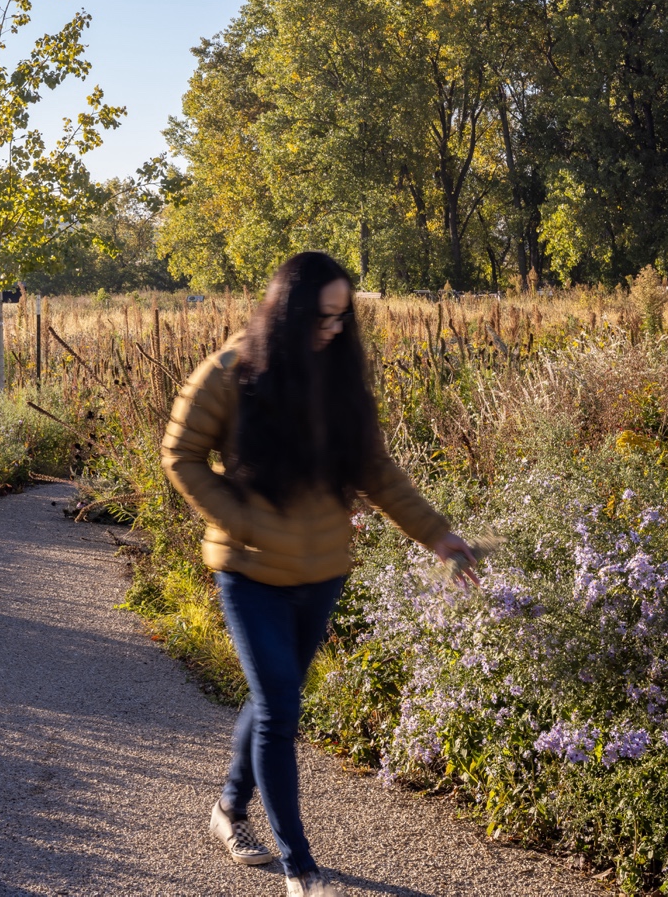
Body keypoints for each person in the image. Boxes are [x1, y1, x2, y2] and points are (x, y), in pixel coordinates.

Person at [160, 251, 477, 897]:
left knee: (271, 699)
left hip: (322, 569)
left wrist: (438, 535)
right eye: (323, 317)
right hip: (249, 571)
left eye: (343, 318)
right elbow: (181, 453)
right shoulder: (230, 372)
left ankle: (228, 809)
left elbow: (378, 472)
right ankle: (300, 866)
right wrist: (239, 519)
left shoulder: (340, 379)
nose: (334, 329)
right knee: (279, 705)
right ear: (289, 311)